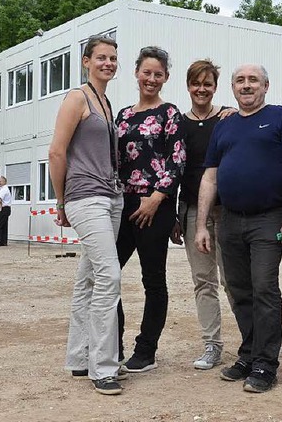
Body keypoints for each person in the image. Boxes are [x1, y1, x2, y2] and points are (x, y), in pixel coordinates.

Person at [195, 64, 282, 393]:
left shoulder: (281, 118)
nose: (246, 86)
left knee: (264, 288)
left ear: (266, 85)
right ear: (232, 87)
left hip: (268, 218)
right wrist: (202, 225)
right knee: (239, 290)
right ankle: (249, 353)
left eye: (253, 80)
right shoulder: (224, 126)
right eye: (240, 81)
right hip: (228, 219)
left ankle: (265, 364)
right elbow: (210, 177)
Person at [49, 35, 126, 395]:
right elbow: (57, 153)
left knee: (90, 280)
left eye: (112, 58)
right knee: (109, 277)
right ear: (85, 61)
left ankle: (79, 358)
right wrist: (62, 202)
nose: (108, 63)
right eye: (101, 58)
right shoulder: (77, 97)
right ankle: (103, 366)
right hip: (86, 198)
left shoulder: (105, 101)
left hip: (110, 197)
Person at [115, 46, 186, 373]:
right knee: (106, 275)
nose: (152, 79)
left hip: (155, 205)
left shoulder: (170, 114)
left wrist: (156, 199)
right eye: (147, 72)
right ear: (136, 73)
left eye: (158, 74)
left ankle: (146, 350)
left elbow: (176, 162)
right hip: (124, 203)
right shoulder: (123, 116)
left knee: (153, 280)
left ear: (166, 78)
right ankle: (110, 343)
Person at [170, 60, 235, 370]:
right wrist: (174, 215)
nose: (201, 89)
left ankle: (251, 340)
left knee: (234, 280)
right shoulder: (178, 123)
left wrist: (236, 113)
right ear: (188, 86)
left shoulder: (227, 119)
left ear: (215, 87)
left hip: (227, 210)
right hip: (193, 211)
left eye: (207, 83)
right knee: (203, 282)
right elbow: (171, 171)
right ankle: (212, 344)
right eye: (196, 83)